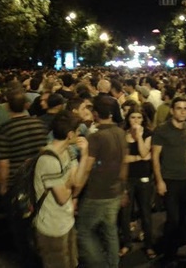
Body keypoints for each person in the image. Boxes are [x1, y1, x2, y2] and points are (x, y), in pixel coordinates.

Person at [0, 88, 47, 266]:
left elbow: (3, 164)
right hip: (38, 179)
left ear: (8, 108)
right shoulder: (39, 124)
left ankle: (28, 260)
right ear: (26, 105)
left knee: (20, 227)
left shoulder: (5, 130)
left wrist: (2, 187)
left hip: (17, 184)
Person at [76, 95, 128, 268]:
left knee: (83, 232)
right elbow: (123, 164)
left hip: (97, 193)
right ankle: (113, 264)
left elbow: (87, 168)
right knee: (110, 231)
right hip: (115, 191)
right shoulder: (121, 133)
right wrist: (123, 189)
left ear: (96, 114)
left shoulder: (96, 138)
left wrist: (75, 194)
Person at [34, 110, 89, 268]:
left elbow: (77, 182)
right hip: (51, 226)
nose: (80, 134)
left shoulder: (68, 151)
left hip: (66, 220)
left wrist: (85, 155)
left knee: (72, 262)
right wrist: (70, 182)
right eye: (78, 131)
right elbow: (63, 197)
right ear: (70, 134)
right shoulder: (48, 160)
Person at [152, 97, 186, 266]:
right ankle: (169, 254)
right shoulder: (162, 130)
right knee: (173, 219)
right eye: (179, 108)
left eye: (185, 108)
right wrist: (159, 181)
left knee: (183, 214)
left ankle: (178, 243)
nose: (183, 111)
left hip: (185, 178)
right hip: (169, 179)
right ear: (172, 110)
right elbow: (155, 157)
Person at [119, 107, 156, 260]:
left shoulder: (148, 134)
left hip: (143, 178)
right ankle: (127, 243)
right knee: (125, 213)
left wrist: (139, 137)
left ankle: (149, 244)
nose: (135, 121)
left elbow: (143, 152)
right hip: (127, 178)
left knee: (145, 212)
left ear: (143, 119)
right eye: (133, 117)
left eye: (139, 118)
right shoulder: (122, 135)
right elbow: (123, 159)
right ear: (128, 119)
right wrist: (139, 158)